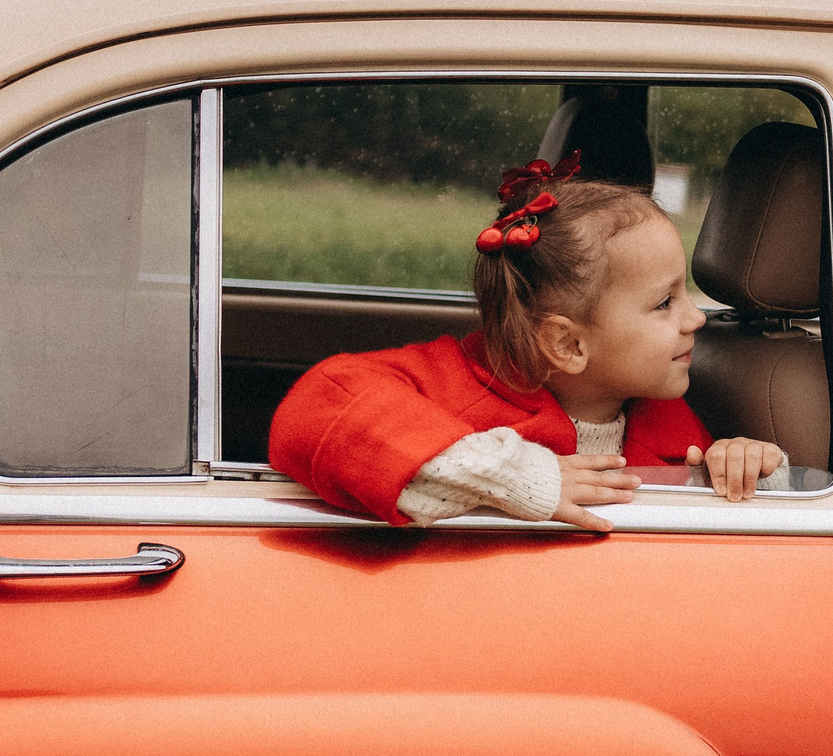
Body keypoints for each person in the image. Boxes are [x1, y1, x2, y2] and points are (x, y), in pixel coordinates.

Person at [270, 155, 788, 530]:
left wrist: (744, 465)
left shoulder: (669, 420)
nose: (696, 318)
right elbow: (323, 404)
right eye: (664, 303)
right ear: (567, 345)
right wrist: (516, 477)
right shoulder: (455, 385)